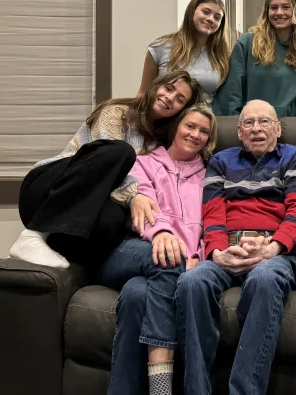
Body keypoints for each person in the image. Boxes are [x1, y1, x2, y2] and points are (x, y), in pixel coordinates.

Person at [175, 99, 296, 395]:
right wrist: (216, 252)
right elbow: (212, 211)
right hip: (227, 246)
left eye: (264, 122)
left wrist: (273, 248)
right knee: (191, 281)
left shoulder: (294, 157)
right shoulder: (221, 160)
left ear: (278, 128)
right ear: (239, 132)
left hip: (272, 248)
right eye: (249, 123)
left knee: (265, 279)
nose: (256, 129)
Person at [9, 71, 199, 270]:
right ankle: (34, 235)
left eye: (179, 99)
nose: (169, 98)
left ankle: (30, 256)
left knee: (112, 221)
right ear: (156, 86)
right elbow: (108, 161)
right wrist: (133, 196)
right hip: (46, 189)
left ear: (181, 110)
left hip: (82, 205)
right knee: (120, 151)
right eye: (168, 88)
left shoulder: (157, 144)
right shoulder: (117, 112)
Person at [100, 103, 218, 395]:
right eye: (190, 126)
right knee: (169, 257)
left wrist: (197, 259)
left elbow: (211, 226)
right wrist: (161, 233)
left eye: (204, 131)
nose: (195, 134)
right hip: (135, 250)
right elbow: (144, 207)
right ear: (176, 126)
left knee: (136, 294)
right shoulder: (143, 163)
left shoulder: (210, 177)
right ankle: (161, 388)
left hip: (176, 263)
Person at [214, 0, 296, 117]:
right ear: (266, 11)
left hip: (287, 128)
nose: (279, 12)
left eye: (286, 7)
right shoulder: (247, 44)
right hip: (249, 126)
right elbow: (231, 93)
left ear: (295, 10)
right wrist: (238, 124)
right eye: (273, 7)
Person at [138, 0, 231, 105]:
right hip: (164, 120)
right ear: (192, 11)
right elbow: (143, 93)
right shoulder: (160, 46)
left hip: (202, 121)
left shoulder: (222, 57)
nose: (211, 19)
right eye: (205, 12)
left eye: (217, 17)